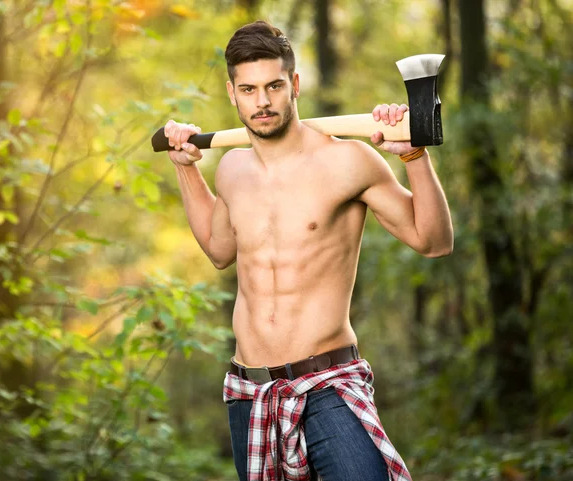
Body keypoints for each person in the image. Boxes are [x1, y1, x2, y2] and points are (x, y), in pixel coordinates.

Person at [164, 20, 453, 481]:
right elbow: (220, 250)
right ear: (231, 93)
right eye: (249, 89)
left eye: (274, 86)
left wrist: (414, 155)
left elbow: (434, 241)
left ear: (294, 85)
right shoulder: (232, 169)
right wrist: (186, 170)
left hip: (326, 384)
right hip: (250, 389)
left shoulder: (348, 161)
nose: (262, 101)